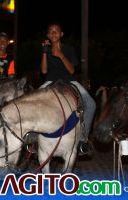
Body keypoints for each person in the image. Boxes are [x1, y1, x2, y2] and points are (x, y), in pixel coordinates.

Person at [40, 22, 96, 156]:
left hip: (69, 81)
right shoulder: (46, 50)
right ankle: (33, 137)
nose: (54, 33)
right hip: (50, 81)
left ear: (61, 34)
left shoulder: (68, 48)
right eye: (51, 31)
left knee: (91, 104)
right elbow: (43, 70)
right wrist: (44, 53)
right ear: (48, 35)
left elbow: (71, 70)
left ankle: (83, 139)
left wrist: (61, 55)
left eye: (56, 31)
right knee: (30, 100)